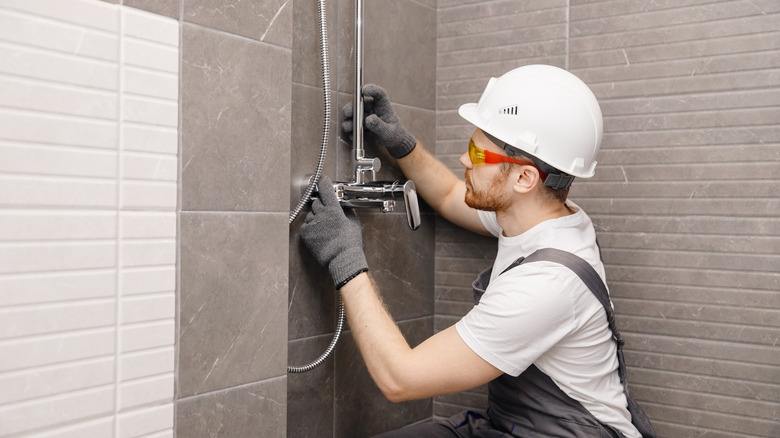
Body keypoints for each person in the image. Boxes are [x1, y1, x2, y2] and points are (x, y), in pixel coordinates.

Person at [300, 65, 647, 437]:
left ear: (524, 178)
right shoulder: (545, 217)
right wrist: (402, 146)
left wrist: (344, 257)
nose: (465, 161)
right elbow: (451, 197)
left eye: (477, 154)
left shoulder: (548, 284)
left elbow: (400, 378)